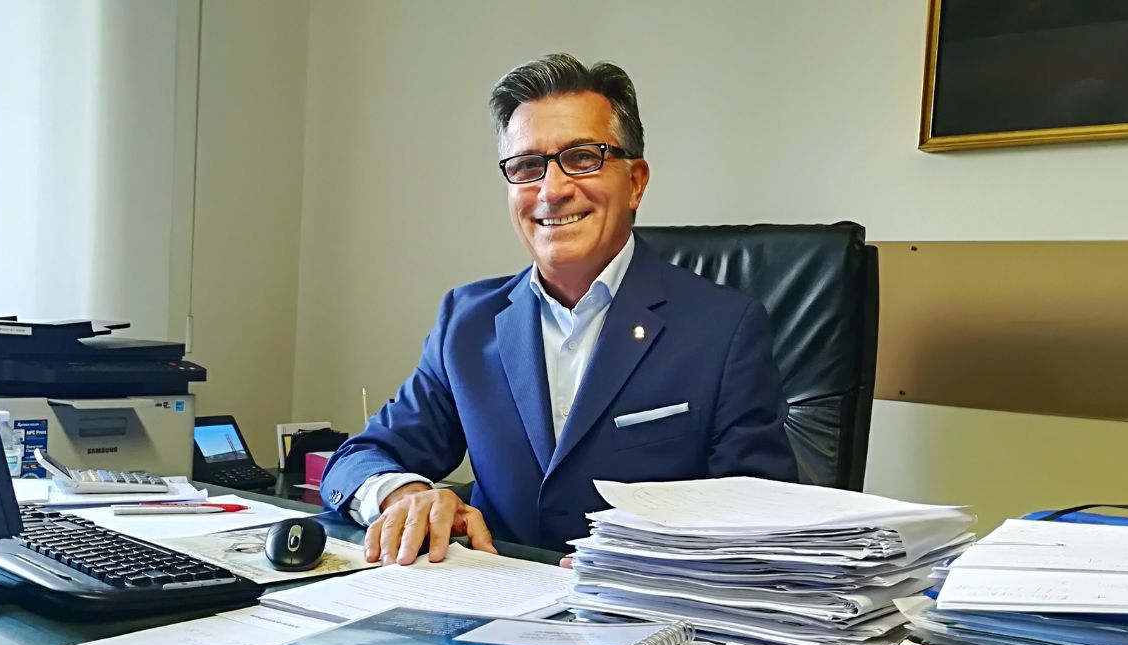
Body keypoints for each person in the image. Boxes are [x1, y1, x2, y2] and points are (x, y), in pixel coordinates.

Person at [319, 53, 795, 564]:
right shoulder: (468, 322)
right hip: (491, 597)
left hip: (647, 604)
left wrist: (642, 565)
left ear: (635, 182)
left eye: (583, 157)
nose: (552, 190)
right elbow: (358, 458)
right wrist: (404, 496)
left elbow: (760, 521)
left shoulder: (723, 329)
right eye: (527, 166)